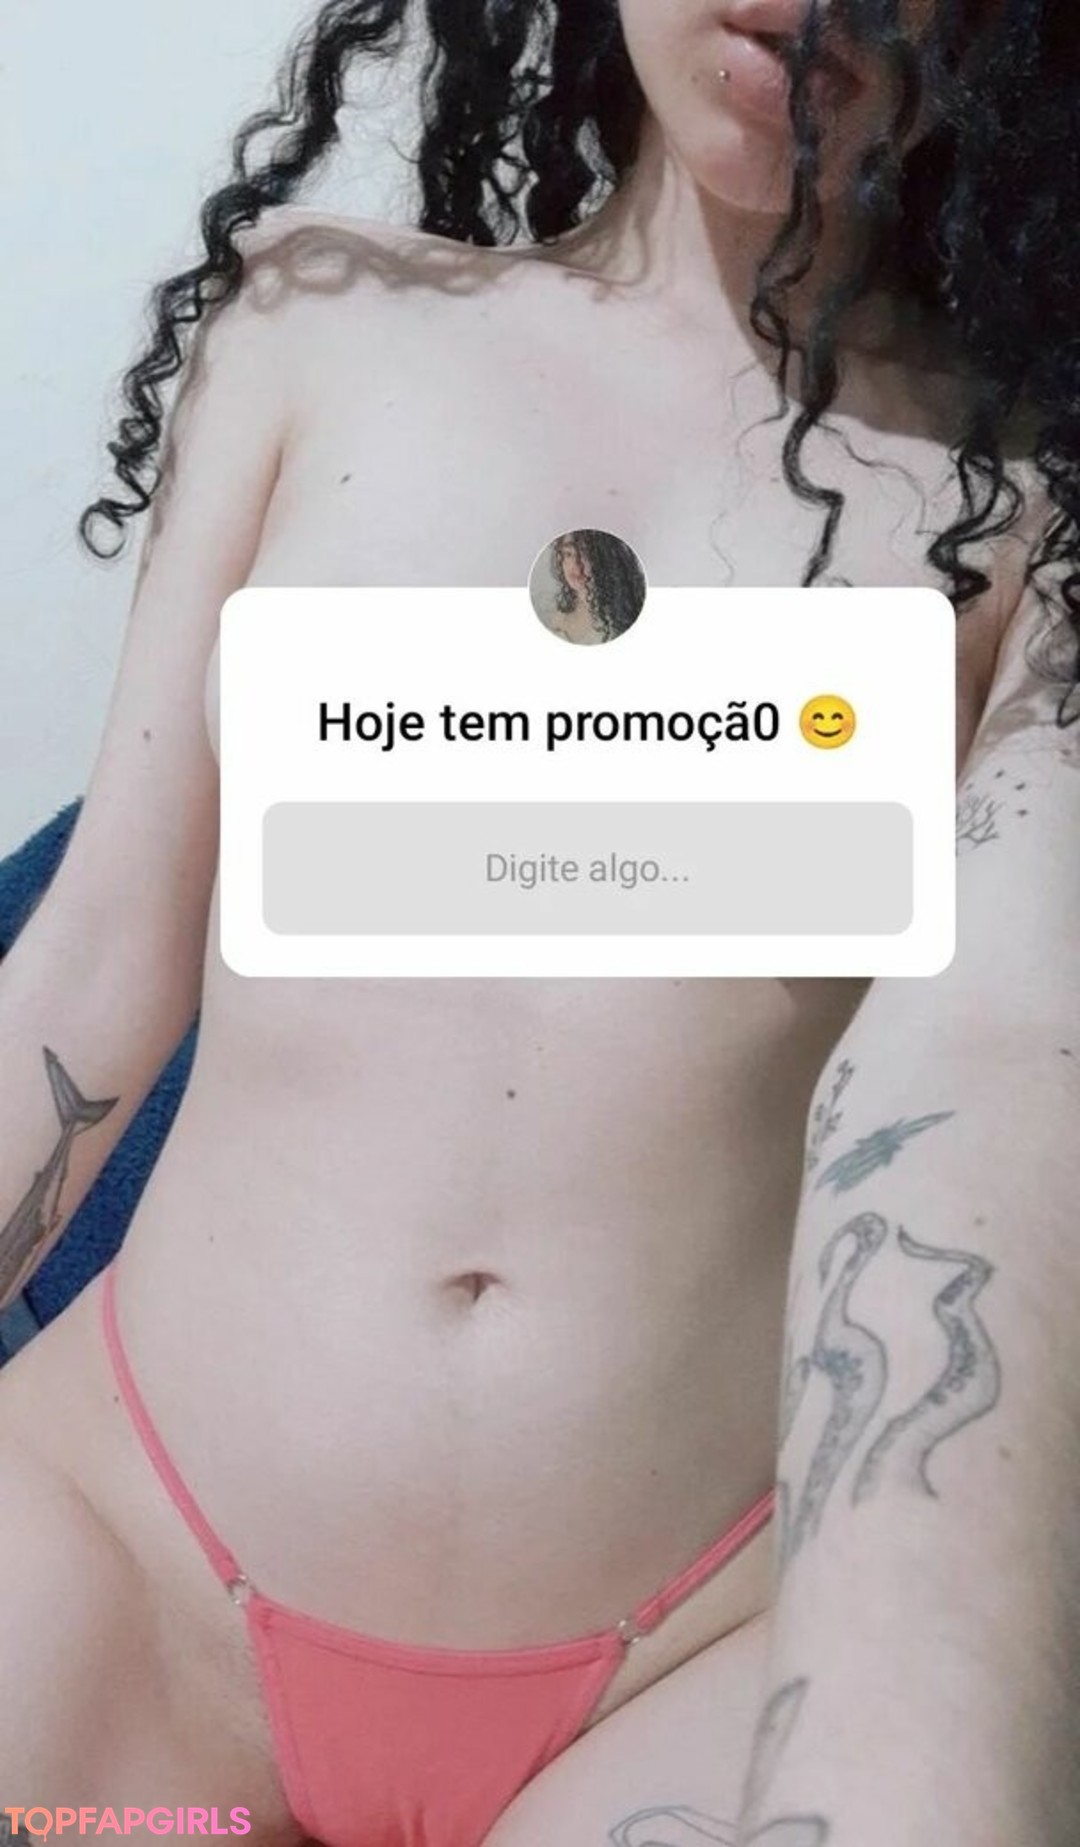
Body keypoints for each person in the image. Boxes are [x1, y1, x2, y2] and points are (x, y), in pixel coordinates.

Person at [1, 3, 1078, 1844]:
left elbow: (987, 1078)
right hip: (130, 1570)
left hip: (685, 1658)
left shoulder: (1027, 515)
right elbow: (98, 962)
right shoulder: (321, 323)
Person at [537, 531, 648, 644]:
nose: (576, 565)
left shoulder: (621, 617)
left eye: (585, 554)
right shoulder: (561, 613)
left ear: (606, 559)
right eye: (568, 554)